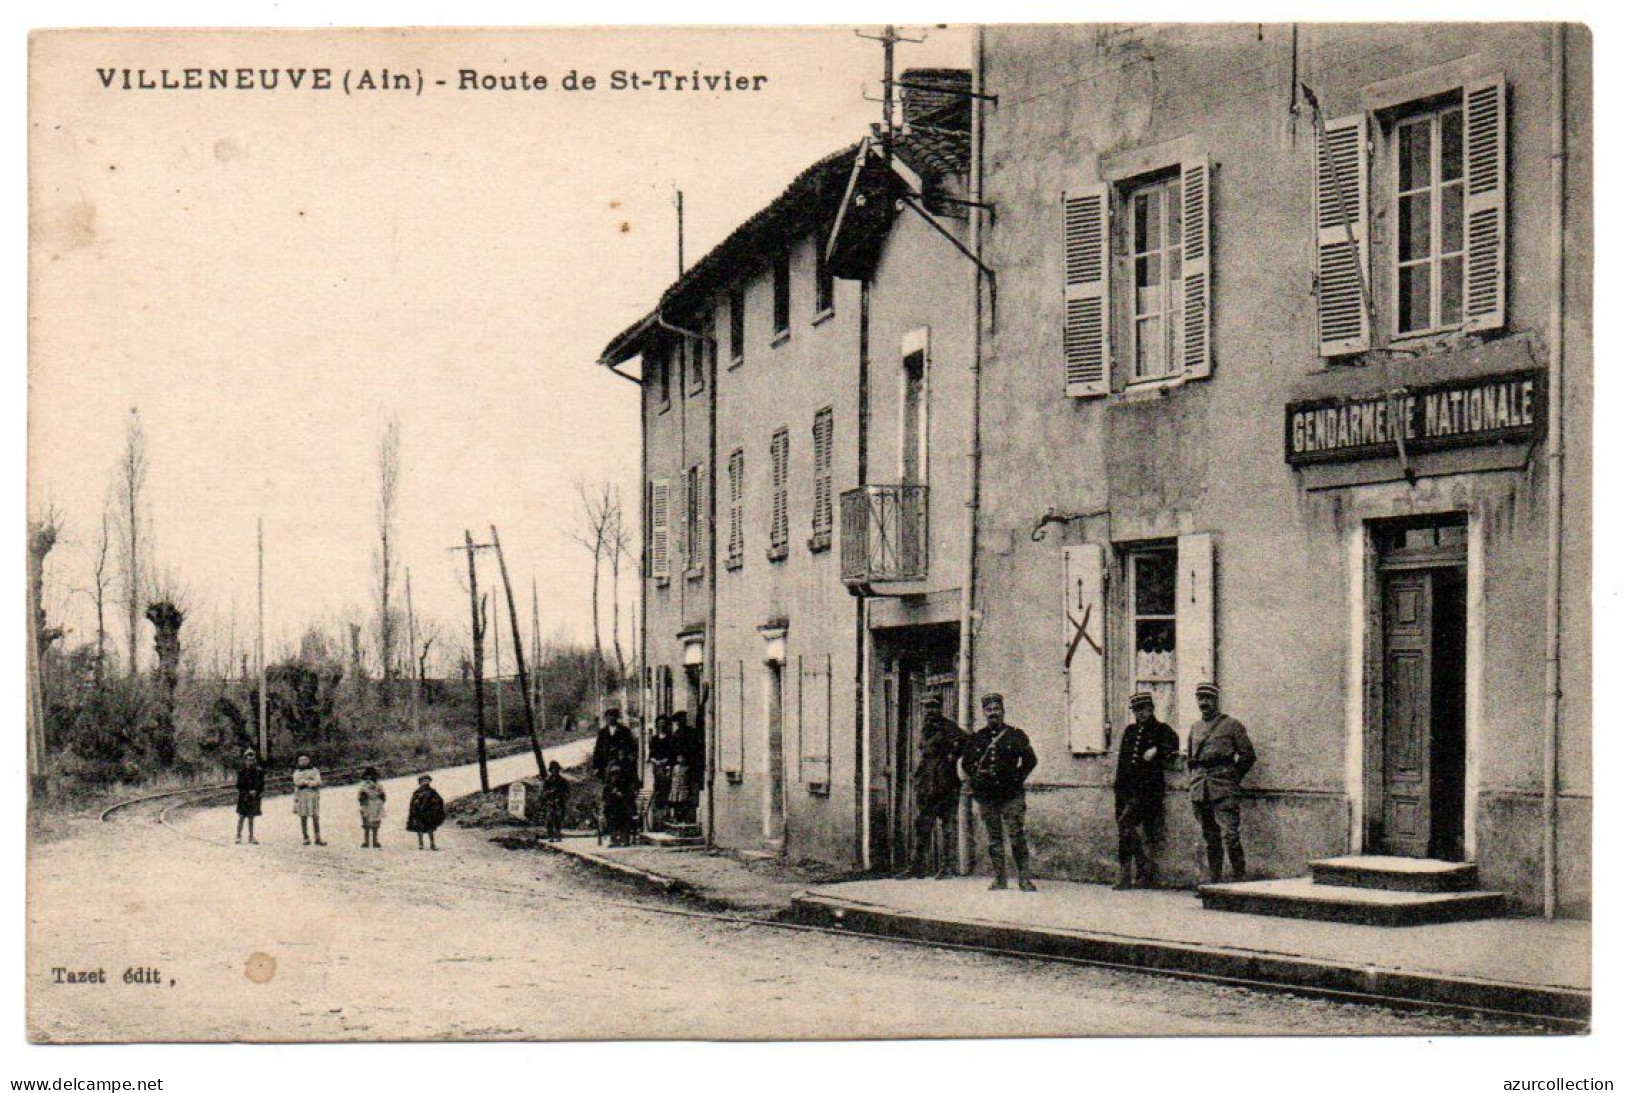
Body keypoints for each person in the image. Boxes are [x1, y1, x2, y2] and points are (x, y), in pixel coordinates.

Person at [961, 694, 1039, 891]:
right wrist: (977, 781)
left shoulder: (1016, 735)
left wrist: (1016, 779)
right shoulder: (977, 738)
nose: (993, 713)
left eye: (996, 709)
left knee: (1016, 834)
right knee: (994, 838)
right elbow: (966, 763)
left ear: (1003, 711)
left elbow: (1031, 760)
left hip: (1011, 794)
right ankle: (1000, 879)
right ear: (984, 713)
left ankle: (1024, 878)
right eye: (989, 710)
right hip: (987, 796)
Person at [1187, 683, 1257, 883]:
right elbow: (1191, 760)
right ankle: (1215, 881)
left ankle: (1239, 879)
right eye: (1200, 698)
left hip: (1224, 788)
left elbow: (1248, 755)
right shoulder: (1195, 727)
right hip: (1201, 789)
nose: (1204, 703)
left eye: (1208, 698)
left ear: (1216, 701)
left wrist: (1233, 778)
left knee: (1230, 835)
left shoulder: (1232, 725)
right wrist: (1193, 782)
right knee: (1210, 837)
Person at [1113, 693, 1180, 889]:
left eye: (1144, 709)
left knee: (1126, 824)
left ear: (1151, 709)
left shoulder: (1162, 729)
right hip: (1126, 788)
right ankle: (1129, 874)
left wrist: (1157, 749)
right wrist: (1119, 786)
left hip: (1148, 790)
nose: (1140, 714)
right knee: (1124, 829)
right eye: (1136, 710)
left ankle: (1137, 870)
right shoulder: (1130, 730)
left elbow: (1174, 744)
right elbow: (1123, 761)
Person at [901, 696, 967, 879]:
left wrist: (954, 755)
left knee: (948, 826)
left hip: (946, 784)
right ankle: (917, 867)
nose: (929, 711)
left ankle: (948, 868)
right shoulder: (925, 728)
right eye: (926, 707)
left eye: (933, 707)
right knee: (922, 825)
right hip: (927, 784)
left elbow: (966, 740)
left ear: (940, 708)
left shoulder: (949, 727)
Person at [291, 754, 327, 847]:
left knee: (315, 816)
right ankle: (305, 837)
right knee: (303, 816)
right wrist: (306, 782)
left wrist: (310, 783)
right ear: (298, 762)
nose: (304, 762)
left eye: (305, 759)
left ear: (309, 760)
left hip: (313, 795)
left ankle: (318, 837)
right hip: (302, 796)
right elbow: (297, 782)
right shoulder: (297, 772)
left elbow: (319, 781)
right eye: (301, 760)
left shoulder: (314, 770)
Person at [406, 774, 446, 851]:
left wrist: (435, 808)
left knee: (430, 829)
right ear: (420, 782)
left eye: (427, 780)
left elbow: (439, 801)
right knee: (419, 829)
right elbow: (413, 803)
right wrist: (414, 811)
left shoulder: (433, 792)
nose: (425, 782)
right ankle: (421, 844)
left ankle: (432, 844)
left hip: (429, 813)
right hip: (419, 814)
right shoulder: (417, 793)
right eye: (423, 781)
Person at [234, 748, 265, 845]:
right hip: (244, 797)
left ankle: (251, 836)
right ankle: (238, 835)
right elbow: (239, 785)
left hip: (254, 797)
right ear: (245, 760)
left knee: (251, 817)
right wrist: (247, 792)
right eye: (248, 760)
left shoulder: (258, 772)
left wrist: (257, 791)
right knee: (242, 816)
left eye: (252, 760)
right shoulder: (241, 771)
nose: (250, 762)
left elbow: (261, 784)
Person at [357, 767, 387, 849]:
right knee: (366, 823)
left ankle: (374, 840)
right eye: (368, 776)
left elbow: (383, 795)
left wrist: (381, 801)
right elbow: (360, 796)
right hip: (367, 805)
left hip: (376, 804)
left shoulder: (378, 785)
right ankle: (366, 841)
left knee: (376, 824)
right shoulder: (363, 786)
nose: (369, 778)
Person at [541, 761, 571, 841]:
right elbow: (543, 792)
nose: (555, 771)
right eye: (554, 769)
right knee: (549, 819)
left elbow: (567, 792)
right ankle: (550, 836)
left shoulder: (563, 781)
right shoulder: (547, 781)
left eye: (557, 769)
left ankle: (558, 835)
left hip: (560, 802)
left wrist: (562, 797)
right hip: (550, 803)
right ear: (551, 770)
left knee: (559, 819)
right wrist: (550, 794)